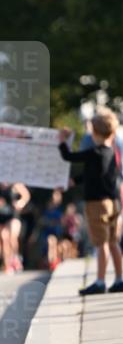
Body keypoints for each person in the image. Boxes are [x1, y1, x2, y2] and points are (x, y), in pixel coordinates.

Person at [59, 111, 123, 294]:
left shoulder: (93, 152)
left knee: (100, 243)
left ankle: (100, 282)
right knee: (113, 242)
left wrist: (63, 141)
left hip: (97, 204)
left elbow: (68, 157)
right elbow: (95, 173)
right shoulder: (112, 152)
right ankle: (119, 278)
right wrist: (75, 181)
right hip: (113, 202)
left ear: (94, 133)